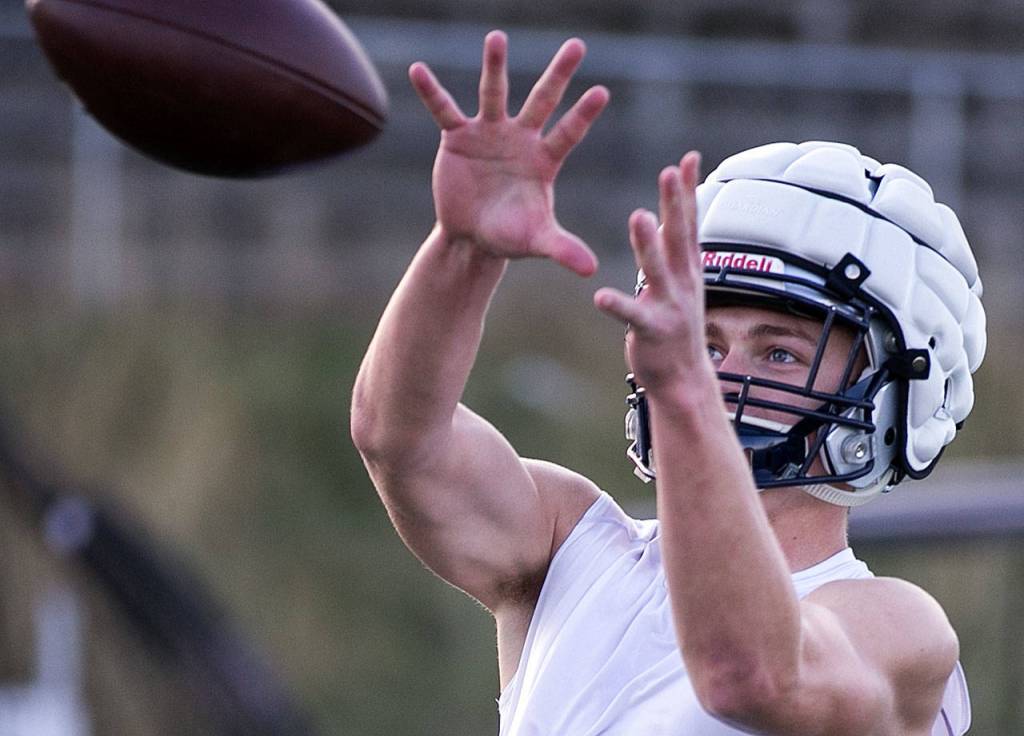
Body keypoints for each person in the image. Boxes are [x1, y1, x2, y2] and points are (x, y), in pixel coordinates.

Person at [350, 30, 985, 736]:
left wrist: (685, 392)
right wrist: (461, 251)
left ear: (898, 391)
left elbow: (748, 675)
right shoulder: (568, 545)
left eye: (779, 353)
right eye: (705, 342)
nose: (723, 375)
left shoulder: (897, 627)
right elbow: (401, 439)